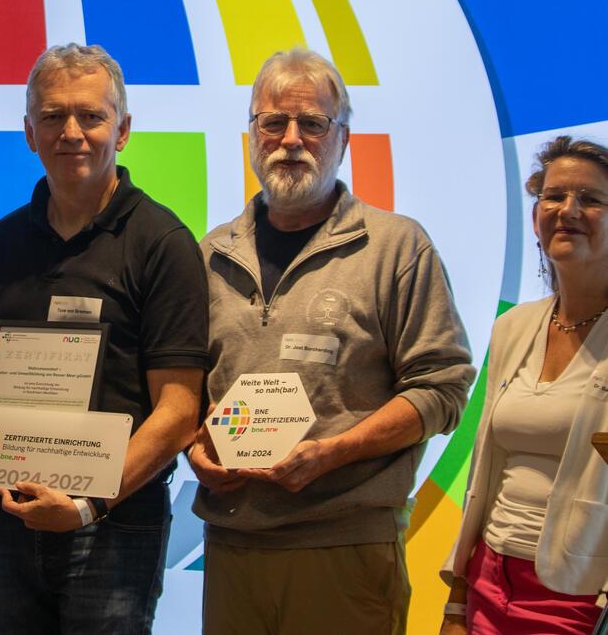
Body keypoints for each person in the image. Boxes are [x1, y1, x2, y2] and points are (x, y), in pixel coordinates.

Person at [0, 43, 207, 635]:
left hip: (113, 524)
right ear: (29, 132)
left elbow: (179, 411)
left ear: (123, 131)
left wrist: (86, 504)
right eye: (52, 116)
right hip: (5, 516)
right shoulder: (0, 243)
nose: (71, 132)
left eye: (91, 116)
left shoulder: (163, 242)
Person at [187, 47, 474, 635]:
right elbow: (186, 387)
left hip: (345, 547)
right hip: (233, 544)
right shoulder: (211, 255)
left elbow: (442, 389)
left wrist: (332, 453)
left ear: (343, 138)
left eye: (312, 124)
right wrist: (193, 448)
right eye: (273, 122)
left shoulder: (397, 247)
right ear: (250, 135)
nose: (290, 139)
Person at [439, 136, 608, 635]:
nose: (568, 210)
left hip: (582, 598)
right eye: (553, 196)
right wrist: (457, 598)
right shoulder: (513, 327)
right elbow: (484, 477)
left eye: (592, 199)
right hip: (490, 581)